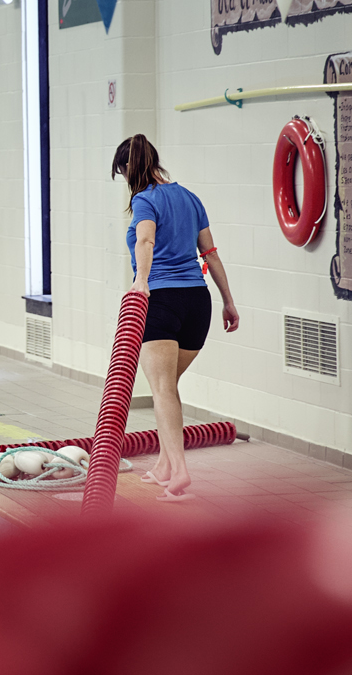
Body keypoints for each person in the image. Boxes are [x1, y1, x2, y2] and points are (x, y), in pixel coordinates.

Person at [112, 134, 239, 501]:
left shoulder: (144, 200)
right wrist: (229, 301)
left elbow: (145, 241)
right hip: (198, 303)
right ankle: (166, 465)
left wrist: (140, 282)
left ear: (127, 170)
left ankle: (180, 471)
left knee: (163, 389)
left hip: (162, 300)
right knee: (166, 389)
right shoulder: (189, 197)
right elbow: (210, 253)